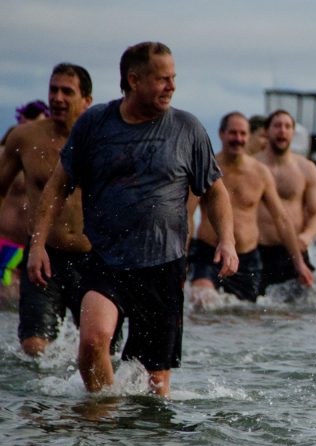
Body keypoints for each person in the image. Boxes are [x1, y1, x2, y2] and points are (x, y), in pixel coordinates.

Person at [27, 42, 237, 397]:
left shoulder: (187, 128)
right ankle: (101, 418)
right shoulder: (95, 124)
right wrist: (37, 245)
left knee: (155, 387)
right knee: (93, 342)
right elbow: (57, 186)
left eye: (173, 78)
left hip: (164, 267)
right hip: (106, 258)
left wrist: (227, 241)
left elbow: (214, 192)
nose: (171, 86)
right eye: (162, 79)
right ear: (134, 80)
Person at [0, 65, 95, 356]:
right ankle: (39, 403)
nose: (57, 97)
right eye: (53, 89)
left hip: (93, 259)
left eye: (67, 91)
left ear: (86, 100)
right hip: (43, 254)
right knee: (34, 348)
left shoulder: (101, 140)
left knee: (97, 349)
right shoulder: (24, 138)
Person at [188, 111, 313, 302]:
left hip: (247, 258)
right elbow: (187, 215)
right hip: (209, 254)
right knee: (201, 300)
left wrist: (299, 263)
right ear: (221, 134)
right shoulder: (205, 168)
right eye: (233, 133)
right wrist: (181, 258)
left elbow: (281, 218)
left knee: (248, 318)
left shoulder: (259, 172)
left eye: (243, 134)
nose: (238, 139)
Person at [255, 109, 316, 295]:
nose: (282, 131)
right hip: (259, 250)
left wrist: (308, 235)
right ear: (266, 131)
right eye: (277, 126)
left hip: (294, 250)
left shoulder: (306, 168)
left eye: (287, 126)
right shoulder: (253, 166)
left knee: (298, 313)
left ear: (293, 133)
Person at [0, 100, 49, 306]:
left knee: (25, 304)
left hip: (32, 246)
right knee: (6, 300)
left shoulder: (46, 157)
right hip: (6, 243)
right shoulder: (4, 154)